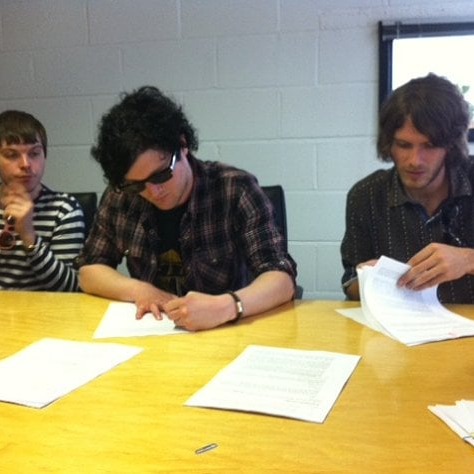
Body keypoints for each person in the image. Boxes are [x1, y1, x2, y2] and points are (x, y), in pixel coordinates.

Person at [77, 86, 297, 330]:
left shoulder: (234, 189)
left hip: (226, 331)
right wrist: (139, 290)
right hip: (154, 332)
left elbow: (282, 279)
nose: (153, 192)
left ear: (182, 145)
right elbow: (88, 271)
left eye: (161, 175)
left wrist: (227, 306)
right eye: (137, 185)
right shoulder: (121, 196)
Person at [341, 73, 474, 304]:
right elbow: (350, 285)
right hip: (400, 323)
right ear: (389, 143)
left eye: (429, 146)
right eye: (403, 145)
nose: (415, 160)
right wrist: (367, 280)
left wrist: (468, 260)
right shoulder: (366, 196)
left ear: (450, 146)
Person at [0, 110, 85, 291]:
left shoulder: (64, 209)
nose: (26, 164)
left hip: (44, 307)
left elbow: (70, 287)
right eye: (12, 155)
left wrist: (28, 235)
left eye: (34, 153)